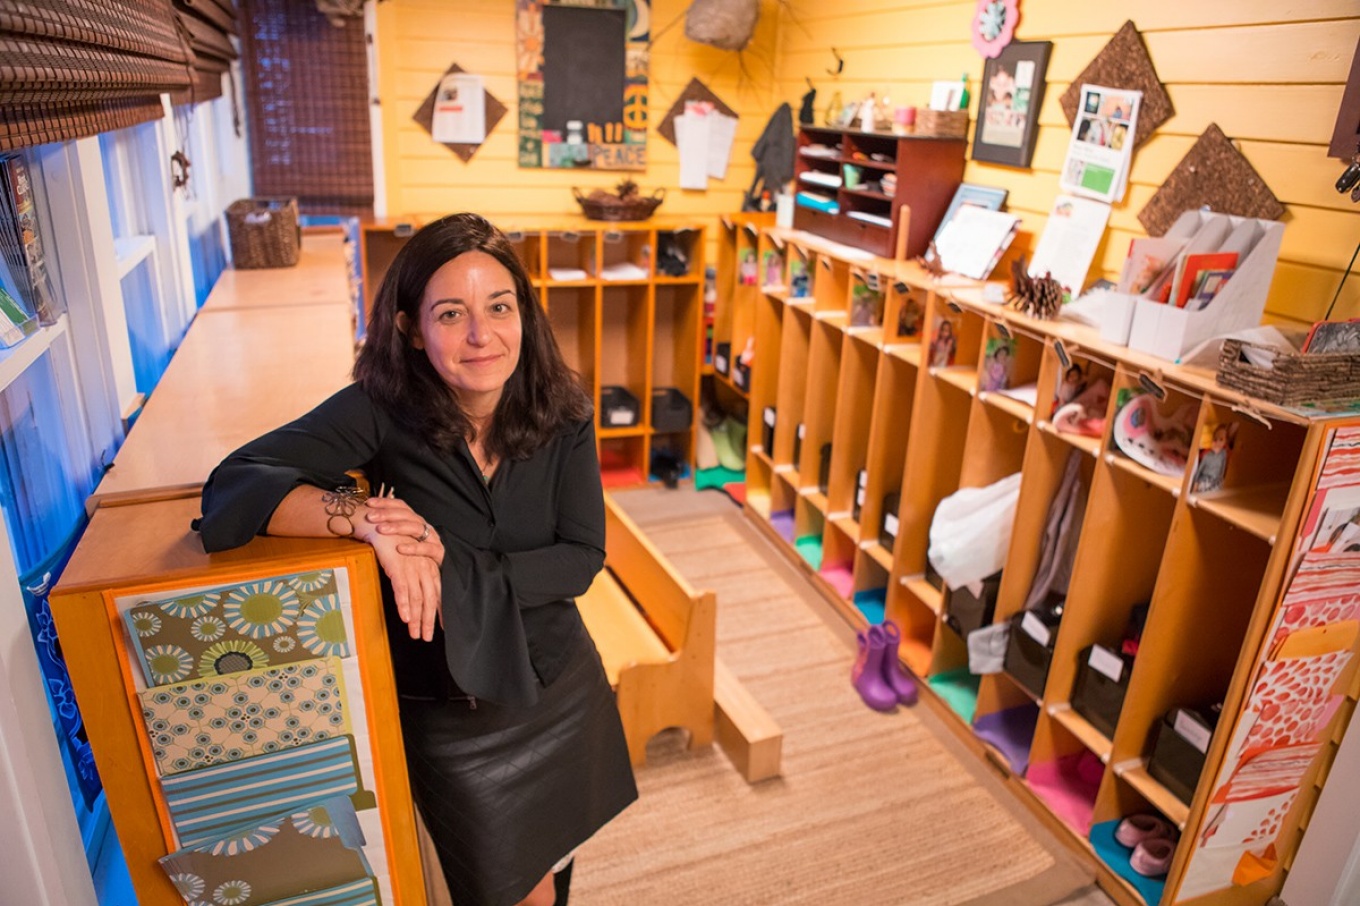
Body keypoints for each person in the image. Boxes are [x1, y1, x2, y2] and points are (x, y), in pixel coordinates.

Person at [195, 213, 637, 906]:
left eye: (498, 307)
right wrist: (365, 519)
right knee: (497, 886)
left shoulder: (564, 410)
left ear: (522, 310)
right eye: (450, 314)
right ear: (409, 327)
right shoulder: (382, 409)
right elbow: (234, 486)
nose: (480, 336)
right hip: (453, 712)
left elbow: (581, 559)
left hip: (557, 683)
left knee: (552, 857)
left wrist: (451, 562)